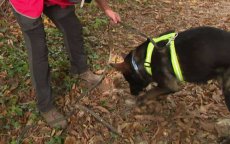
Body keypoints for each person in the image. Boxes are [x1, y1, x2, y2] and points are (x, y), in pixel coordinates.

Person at [9, 0, 121, 128]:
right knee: (38, 51)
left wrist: (107, 9)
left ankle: (80, 69)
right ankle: (45, 106)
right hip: (25, 3)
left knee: (71, 26)